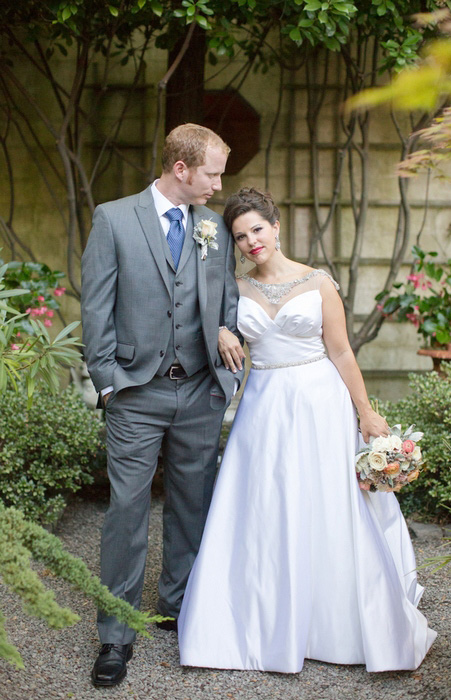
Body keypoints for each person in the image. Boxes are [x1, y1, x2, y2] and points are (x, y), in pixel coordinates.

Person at [177, 187, 436, 673]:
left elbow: (341, 352)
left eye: (257, 229)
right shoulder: (235, 287)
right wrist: (219, 329)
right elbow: (198, 316)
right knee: (264, 504)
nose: (251, 241)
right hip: (265, 406)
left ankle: (334, 620)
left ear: (275, 227)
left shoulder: (319, 283)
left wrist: (365, 412)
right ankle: (261, 619)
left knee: (326, 501)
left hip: (320, 403)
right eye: (240, 236)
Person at [81, 124, 245, 687]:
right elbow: (96, 307)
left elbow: (225, 298)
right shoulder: (114, 218)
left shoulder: (212, 229)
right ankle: (115, 634)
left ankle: (179, 608)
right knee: (127, 511)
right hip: (137, 392)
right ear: (181, 168)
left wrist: (225, 332)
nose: (219, 186)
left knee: (191, 504)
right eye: (213, 173)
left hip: (200, 390)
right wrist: (107, 382)